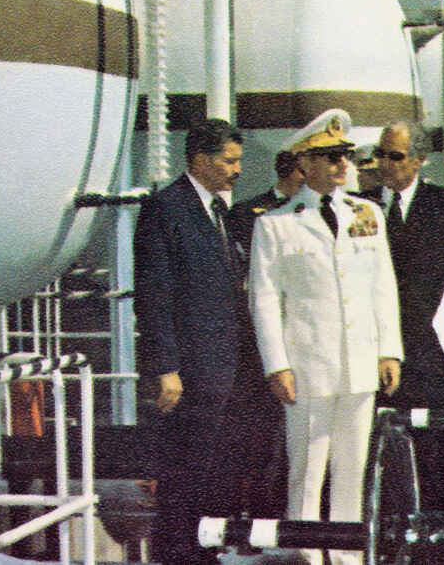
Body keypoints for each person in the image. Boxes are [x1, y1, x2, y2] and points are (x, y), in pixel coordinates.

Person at [249, 109, 403, 565]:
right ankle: (306, 553)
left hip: (360, 360)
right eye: (331, 156)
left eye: (345, 155)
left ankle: (346, 554)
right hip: (308, 365)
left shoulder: (367, 214)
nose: (342, 164)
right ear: (305, 162)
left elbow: (382, 286)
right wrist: (276, 364)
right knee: (308, 468)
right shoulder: (276, 224)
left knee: (353, 468)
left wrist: (389, 350)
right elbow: (264, 300)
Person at [133, 118, 243, 565]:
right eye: (229, 161)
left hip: (220, 365)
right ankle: (176, 552)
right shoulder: (166, 209)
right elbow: (154, 295)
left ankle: (197, 547)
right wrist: (165, 368)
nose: (237, 170)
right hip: (188, 370)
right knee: (182, 468)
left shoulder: (217, 211)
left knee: (207, 466)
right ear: (200, 159)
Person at [361, 120, 444, 510]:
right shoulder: (361, 207)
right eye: (380, 154)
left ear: (419, 160)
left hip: (426, 344)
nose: (384, 164)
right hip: (371, 342)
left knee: (428, 440)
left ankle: (429, 523)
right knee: (373, 441)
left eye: (395, 156)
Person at [210, 149, 304, 519]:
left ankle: (280, 515)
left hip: (302, 338)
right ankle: (248, 518)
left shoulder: (314, 211)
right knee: (255, 437)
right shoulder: (247, 214)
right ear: (293, 172)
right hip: (256, 346)